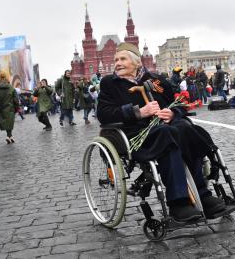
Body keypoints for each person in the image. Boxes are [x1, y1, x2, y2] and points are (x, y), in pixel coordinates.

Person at [97, 42, 226, 222]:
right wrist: (138, 112)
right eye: (116, 59)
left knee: (186, 129)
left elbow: (178, 103)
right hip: (136, 134)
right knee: (167, 134)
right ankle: (178, 202)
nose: (117, 63)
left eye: (122, 59)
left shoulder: (156, 81)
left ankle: (202, 194)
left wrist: (172, 112)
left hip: (165, 127)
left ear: (136, 62)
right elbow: (103, 114)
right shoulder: (110, 83)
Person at [0, 71, 19, 144]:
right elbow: (16, 100)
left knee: (6, 123)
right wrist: (17, 108)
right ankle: (9, 136)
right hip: (10, 108)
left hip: (1, 109)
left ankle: (10, 136)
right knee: (10, 123)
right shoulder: (11, 88)